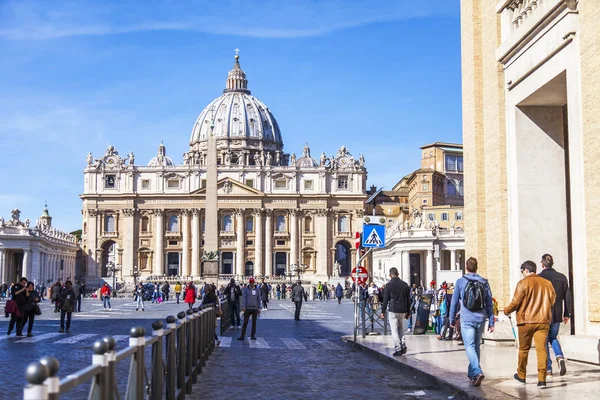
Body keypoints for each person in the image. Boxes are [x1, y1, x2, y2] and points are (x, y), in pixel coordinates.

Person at [504, 260, 556, 387]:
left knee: (523, 349)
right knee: (542, 349)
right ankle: (542, 379)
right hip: (543, 321)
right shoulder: (547, 284)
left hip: (525, 322)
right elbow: (552, 300)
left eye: (522, 272)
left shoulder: (523, 283)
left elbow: (516, 302)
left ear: (526, 270)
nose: (522, 274)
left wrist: (507, 310)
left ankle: (521, 375)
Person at [449, 257, 495, 387]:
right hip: (480, 318)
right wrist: (491, 321)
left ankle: (477, 371)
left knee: (469, 346)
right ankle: (472, 375)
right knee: (476, 346)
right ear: (477, 267)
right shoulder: (484, 282)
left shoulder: (460, 281)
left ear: (466, 267)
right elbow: (489, 303)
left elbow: (454, 302)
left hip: (467, 319)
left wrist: (452, 319)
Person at [539, 254, 572, 377]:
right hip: (557, 314)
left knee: (544, 340)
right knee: (553, 337)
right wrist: (567, 313)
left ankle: (548, 369)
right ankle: (559, 357)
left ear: (542, 264)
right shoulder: (562, 277)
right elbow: (567, 297)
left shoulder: (539, 277)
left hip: (543, 314)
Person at [380, 267, 411, 356]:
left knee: (394, 330)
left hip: (393, 309)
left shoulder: (388, 285)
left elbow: (385, 300)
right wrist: (408, 312)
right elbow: (408, 300)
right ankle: (403, 344)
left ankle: (398, 348)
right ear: (398, 274)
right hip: (403, 309)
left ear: (390, 275)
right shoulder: (405, 285)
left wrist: (383, 312)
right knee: (401, 328)